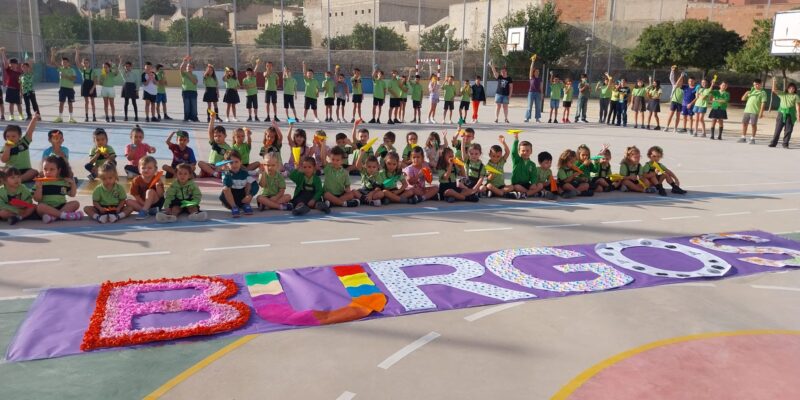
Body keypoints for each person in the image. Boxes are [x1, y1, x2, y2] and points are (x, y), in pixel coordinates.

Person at [35, 155, 82, 224]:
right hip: (47, 209)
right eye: (45, 169)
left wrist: (73, 184)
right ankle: (64, 216)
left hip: (61, 207)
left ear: (58, 170)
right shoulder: (40, 182)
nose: (48, 172)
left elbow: (72, 194)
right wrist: (39, 188)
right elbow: (37, 199)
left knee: (76, 203)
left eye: (52, 169)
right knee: (40, 207)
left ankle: (54, 217)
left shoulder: (63, 182)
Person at [2, 114, 39, 182]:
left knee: (34, 172)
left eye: (13, 136)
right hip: (10, 170)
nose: (10, 138)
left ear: (19, 136)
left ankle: (19, 179)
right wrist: (7, 149)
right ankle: (11, 179)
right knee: (2, 170)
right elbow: (4, 160)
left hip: (25, 170)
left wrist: (34, 119)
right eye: (8, 136)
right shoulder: (5, 147)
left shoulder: (24, 142)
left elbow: (29, 131)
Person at [321, 143, 360, 208]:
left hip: (340, 194)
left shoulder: (345, 172)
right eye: (333, 159)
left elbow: (347, 185)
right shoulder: (328, 168)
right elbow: (322, 158)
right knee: (326, 194)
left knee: (351, 194)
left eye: (337, 160)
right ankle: (344, 204)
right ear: (330, 159)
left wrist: (347, 189)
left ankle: (333, 203)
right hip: (330, 194)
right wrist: (323, 144)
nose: (335, 162)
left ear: (342, 161)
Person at [219, 150, 256, 218]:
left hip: (242, 197)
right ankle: (234, 207)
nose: (234, 165)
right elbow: (228, 184)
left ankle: (246, 205)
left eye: (236, 162)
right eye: (231, 163)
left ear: (241, 162)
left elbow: (255, 185)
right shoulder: (225, 173)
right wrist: (227, 172)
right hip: (229, 200)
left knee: (249, 183)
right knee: (226, 188)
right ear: (227, 164)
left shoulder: (244, 173)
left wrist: (250, 195)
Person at [128, 156, 165, 220]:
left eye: (149, 168)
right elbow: (136, 196)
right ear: (139, 169)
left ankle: (144, 211)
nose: (146, 170)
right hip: (143, 203)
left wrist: (158, 186)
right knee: (128, 201)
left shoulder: (157, 179)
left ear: (155, 169)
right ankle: (148, 211)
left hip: (155, 204)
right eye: (143, 168)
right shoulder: (136, 180)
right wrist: (144, 204)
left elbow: (160, 195)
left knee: (150, 191)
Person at [509, 132, 541, 199]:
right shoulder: (517, 160)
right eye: (523, 151)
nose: (525, 152)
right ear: (519, 151)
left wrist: (533, 183)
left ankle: (526, 193)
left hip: (526, 184)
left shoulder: (532, 164)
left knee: (540, 185)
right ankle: (531, 193)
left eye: (527, 150)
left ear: (531, 151)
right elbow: (513, 152)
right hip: (517, 184)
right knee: (516, 187)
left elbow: (534, 175)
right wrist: (516, 140)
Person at [49, 48, 77, 123]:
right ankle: (60, 117)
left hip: (70, 89)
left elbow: (73, 78)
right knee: (61, 103)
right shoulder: (61, 69)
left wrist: (66, 76)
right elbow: (53, 62)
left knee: (70, 103)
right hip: (62, 89)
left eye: (65, 62)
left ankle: (71, 118)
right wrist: (52, 53)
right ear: (61, 63)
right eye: (63, 62)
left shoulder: (72, 70)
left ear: (68, 63)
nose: (64, 63)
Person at [769, 77, 798, 149]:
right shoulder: (783, 94)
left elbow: (797, 106)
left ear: (795, 90)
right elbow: (774, 90)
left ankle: (785, 144)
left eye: (793, 88)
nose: (791, 89)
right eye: (790, 88)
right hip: (781, 113)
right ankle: (773, 143)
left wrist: (798, 115)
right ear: (788, 89)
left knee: (788, 130)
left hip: (790, 114)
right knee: (778, 129)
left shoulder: (795, 96)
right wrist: (774, 81)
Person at [739, 79, 767, 144]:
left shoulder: (763, 92)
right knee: (744, 123)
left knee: (753, 124)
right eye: (754, 84)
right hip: (747, 110)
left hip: (755, 111)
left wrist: (761, 112)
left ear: (760, 84)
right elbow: (742, 99)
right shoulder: (751, 91)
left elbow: (763, 103)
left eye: (757, 84)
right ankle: (743, 137)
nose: (755, 86)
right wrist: (746, 93)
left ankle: (752, 138)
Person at [1, 48, 23, 122]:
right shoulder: (9, 71)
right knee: (11, 104)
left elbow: (21, 83)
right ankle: (11, 116)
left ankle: (21, 115)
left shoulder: (19, 73)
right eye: (11, 63)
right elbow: (5, 63)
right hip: (10, 89)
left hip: (17, 90)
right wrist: (3, 53)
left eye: (14, 63)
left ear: (17, 65)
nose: (13, 65)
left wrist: (21, 92)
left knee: (18, 104)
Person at [74, 49, 97, 122]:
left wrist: (92, 88)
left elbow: (95, 81)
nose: (86, 64)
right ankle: (86, 116)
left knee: (92, 102)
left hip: (91, 85)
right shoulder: (82, 70)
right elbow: (77, 62)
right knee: (86, 102)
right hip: (84, 85)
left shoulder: (92, 71)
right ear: (83, 64)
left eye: (87, 63)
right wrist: (77, 53)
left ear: (89, 63)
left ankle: (94, 116)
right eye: (84, 63)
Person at [664, 67, 684, 133]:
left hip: (680, 103)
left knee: (678, 116)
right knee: (671, 114)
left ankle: (675, 128)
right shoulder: (674, 86)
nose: (680, 81)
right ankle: (667, 126)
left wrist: (682, 77)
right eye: (679, 80)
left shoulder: (683, 89)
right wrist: (672, 71)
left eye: (681, 80)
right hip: (674, 101)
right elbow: (671, 78)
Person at [179, 56, 199, 122]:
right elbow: (181, 68)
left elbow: (195, 82)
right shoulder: (183, 74)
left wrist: (189, 74)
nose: (188, 68)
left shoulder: (194, 75)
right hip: (185, 91)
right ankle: (186, 117)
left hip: (193, 91)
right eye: (187, 66)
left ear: (192, 68)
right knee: (186, 105)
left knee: (194, 105)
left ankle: (194, 117)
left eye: (190, 67)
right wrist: (184, 62)